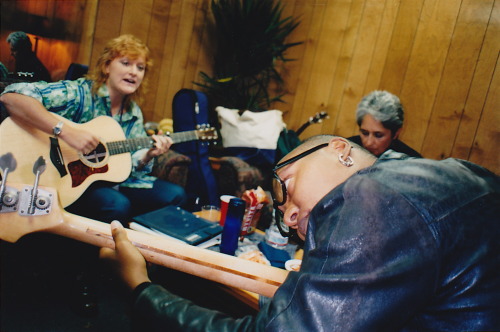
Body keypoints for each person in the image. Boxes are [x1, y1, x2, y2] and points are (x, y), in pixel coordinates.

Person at [100, 134, 499, 331]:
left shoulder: (370, 191)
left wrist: (141, 289)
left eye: (286, 187)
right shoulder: (455, 173)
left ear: (340, 150)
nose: (289, 217)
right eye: (283, 211)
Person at [0, 34, 186, 224]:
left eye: (140, 68)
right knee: (117, 204)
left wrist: (149, 154)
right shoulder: (79, 92)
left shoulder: (133, 112)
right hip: (62, 178)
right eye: (126, 63)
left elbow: (130, 164)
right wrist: (66, 132)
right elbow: (12, 97)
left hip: (103, 181)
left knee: (176, 195)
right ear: (106, 66)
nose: (134, 72)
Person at [348, 90, 422, 158]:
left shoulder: (411, 162)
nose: (369, 143)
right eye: (365, 133)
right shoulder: (346, 147)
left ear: (396, 133)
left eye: (378, 135)